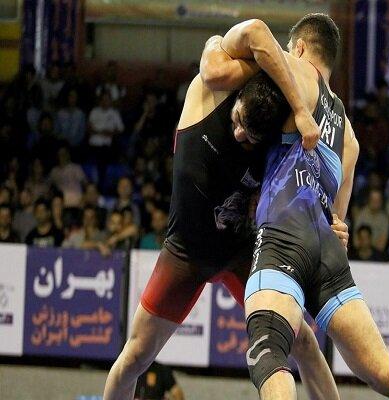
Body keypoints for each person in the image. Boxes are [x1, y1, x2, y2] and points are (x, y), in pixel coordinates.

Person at [104, 20, 344, 400]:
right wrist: (299, 106)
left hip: (241, 250)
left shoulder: (273, 131)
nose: (239, 134)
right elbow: (255, 32)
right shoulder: (210, 89)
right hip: (185, 252)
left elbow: (319, 170)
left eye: (251, 137)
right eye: (239, 121)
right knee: (134, 357)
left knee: (304, 342)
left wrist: (333, 220)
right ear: (238, 98)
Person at [213, 15, 389, 399]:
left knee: (268, 350)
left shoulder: (299, 72)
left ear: (300, 48)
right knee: (383, 369)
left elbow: (253, 33)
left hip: (285, 236)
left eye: (290, 50)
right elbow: (338, 221)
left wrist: (216, 50)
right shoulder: (350, 137)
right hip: (328, 255)